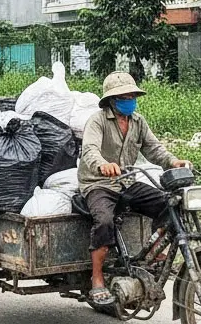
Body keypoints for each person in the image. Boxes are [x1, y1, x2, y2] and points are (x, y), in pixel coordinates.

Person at [79, 71, 191, 307]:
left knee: (168, 204)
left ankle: (152, 256)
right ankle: (97, 279)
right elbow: (89, 150)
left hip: (127, 181)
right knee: (104, 221)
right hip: (99, 184)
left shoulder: (138, 121)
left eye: (132, 95)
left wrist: (172, 161)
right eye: (124, 96)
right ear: (111, 100)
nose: (129, 99)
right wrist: (103, 164)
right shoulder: (97, 120)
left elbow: (154, 149)